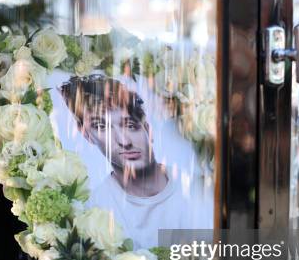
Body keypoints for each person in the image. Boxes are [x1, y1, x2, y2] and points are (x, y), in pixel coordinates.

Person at [59, 75, 213, 249]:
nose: (124, 141)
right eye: (102, 127)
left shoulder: (201, 189)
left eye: (130, 125)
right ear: (87, 135)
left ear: (148, 129)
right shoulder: (93, 211)